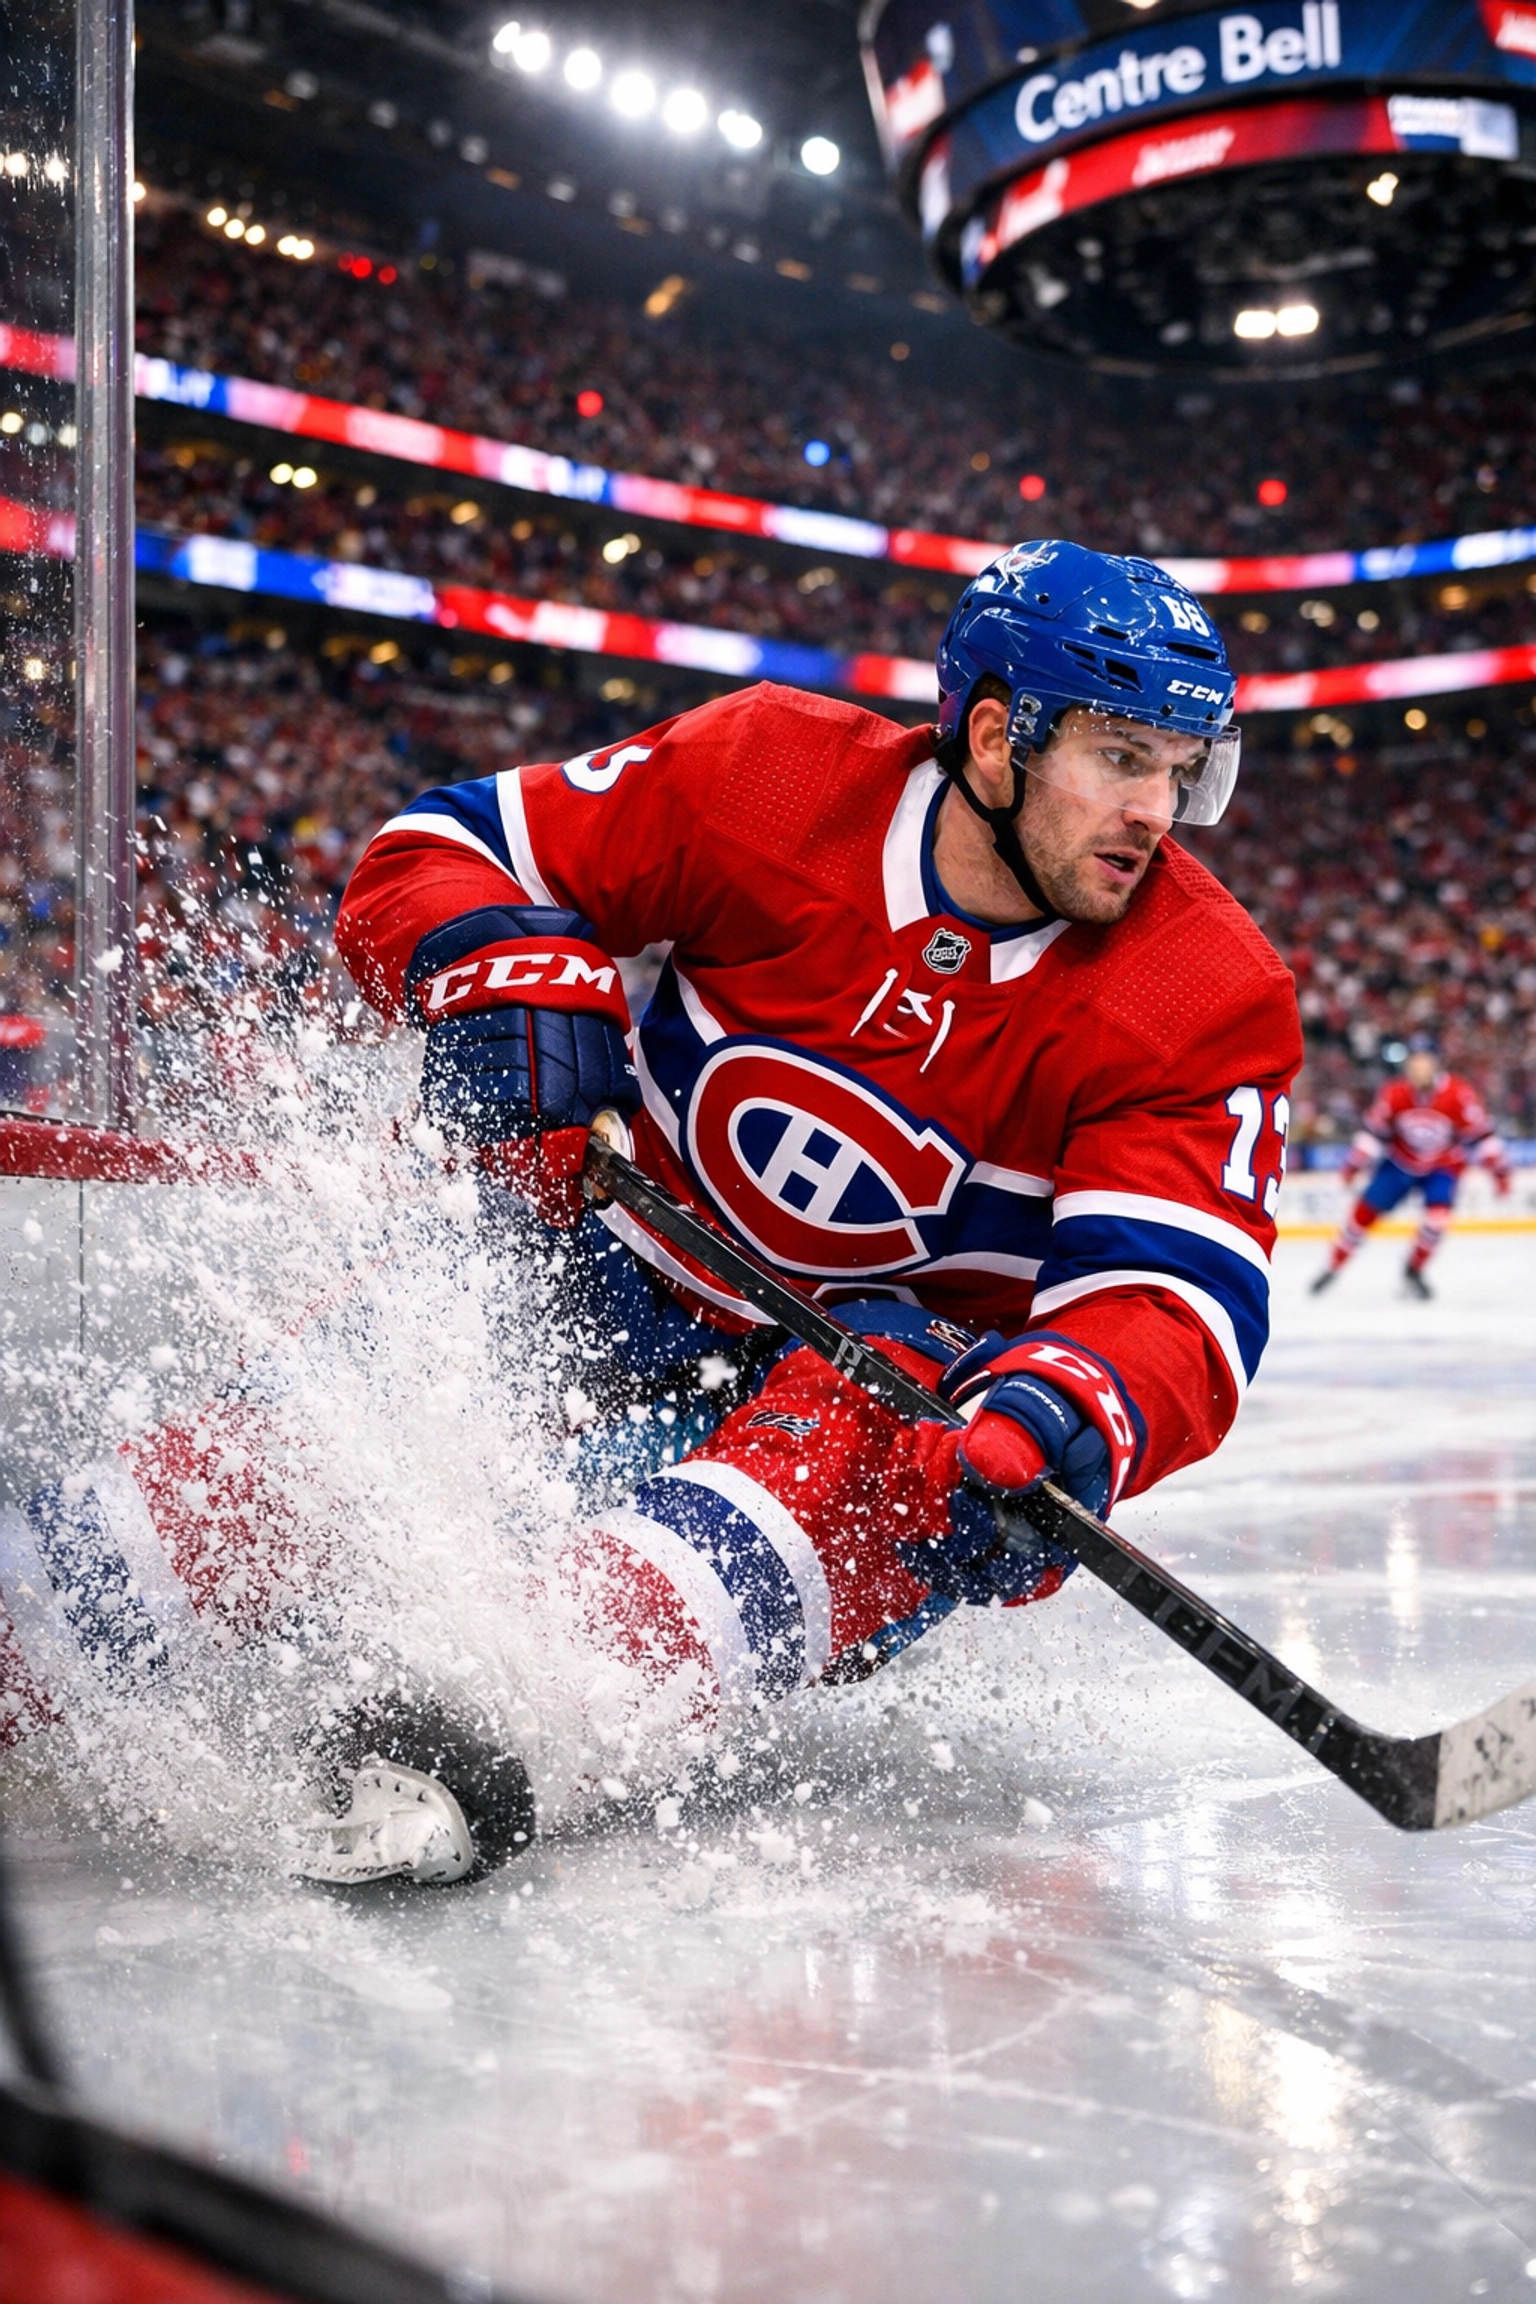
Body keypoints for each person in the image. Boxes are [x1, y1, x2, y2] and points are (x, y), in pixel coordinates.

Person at [0, 541, 1302, 1882]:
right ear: (993, 735)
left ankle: (513, 1708)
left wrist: (1076, 1406)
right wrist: (495, 957)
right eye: (1121, 756)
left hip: (856, 1380)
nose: (1158, 806)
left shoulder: (1205, 992)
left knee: (904, 1412)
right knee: (324, 1437)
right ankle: (30, 1621)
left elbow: (1173, 1299)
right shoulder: (768, 774)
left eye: (1179, 766)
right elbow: (432, 853)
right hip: (596, 1261)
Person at [1311, 1037, 1510, 1300]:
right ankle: (1333, 1267)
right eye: (1412, 1062)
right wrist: (1354, 1165)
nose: (1416, 1069)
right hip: (1399, 1164)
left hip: (1442, 1165)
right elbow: (1374, 1133)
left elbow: (1481, 1137)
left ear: (1436, 1064)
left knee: (1437, 1219)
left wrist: (1499, 1173)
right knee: (1361, 1216)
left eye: (1422, 1062)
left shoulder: (1459, 1094)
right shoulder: (1395, 1092)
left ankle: (1413, 1270)